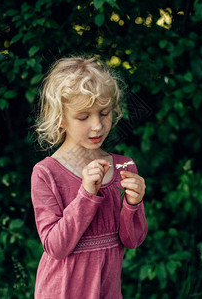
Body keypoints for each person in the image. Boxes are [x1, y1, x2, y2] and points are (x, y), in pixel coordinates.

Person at [31, 56, 148, 299]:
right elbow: (56, 246)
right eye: (83, 117)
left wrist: (133, 204)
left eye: (104, 113)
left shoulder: (123, 166)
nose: (97, 126)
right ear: (61, 117)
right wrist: (85, 195)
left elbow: (132, 240)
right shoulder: (46, 173)